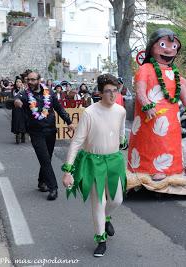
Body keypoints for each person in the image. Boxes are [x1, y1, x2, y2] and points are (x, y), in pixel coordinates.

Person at [62, 74, 127, 257]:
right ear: (99, 92)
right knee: (99, 202)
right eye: (108, 91)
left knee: (116, 200)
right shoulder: (90, 113)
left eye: (115, 91)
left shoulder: (121, 111)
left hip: (114, 161)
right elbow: (76, 142)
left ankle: (106, 218)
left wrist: (122, 141)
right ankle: (101, 240)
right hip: (94, 163)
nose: (112, 95)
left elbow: (121, 132)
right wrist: (68, 170)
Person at [127, 28, 186, 181]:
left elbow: (182, 92)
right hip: (151, 116)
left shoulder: (174, 71)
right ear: (151, 47)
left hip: (172, 116)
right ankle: (150, 169)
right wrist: (147, 105)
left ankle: (173, 168)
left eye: (174, 47)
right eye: (163, 45)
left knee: (171, 143)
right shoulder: (145, 69)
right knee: (154, 143)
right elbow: (140, 91)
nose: (168, 50)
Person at [14, 72, 75, 200]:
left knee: (47, 157)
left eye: (32, 80)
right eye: (28, 80)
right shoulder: (24, 94)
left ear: (39, 80)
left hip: (50, 131)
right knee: (45, 159)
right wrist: (17, 102)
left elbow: (59, 108)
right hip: (36, 132)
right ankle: (53, 188)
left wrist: (68, 122)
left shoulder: (50, 93)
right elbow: (16, 99)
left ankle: (41, 181)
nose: (30, 82)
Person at [11, 76, 27, 144]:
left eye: (19, 82)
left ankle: (23, 134)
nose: (18, 83)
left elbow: (26, 99)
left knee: (23, 121)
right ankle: (17, 134)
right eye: (17, 82)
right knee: (16, 121)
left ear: (22, 83)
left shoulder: (24, 91)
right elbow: (11, 99)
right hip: (15, 109)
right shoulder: (13, 91)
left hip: (22, 109)